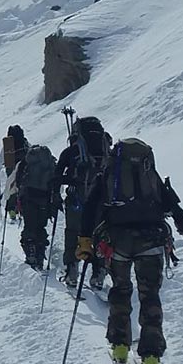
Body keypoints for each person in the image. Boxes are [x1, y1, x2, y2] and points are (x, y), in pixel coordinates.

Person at [75, 137, 183, 364]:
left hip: (118, 242)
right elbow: (170, 203)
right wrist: (181, 220)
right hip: (151, 240)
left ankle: (120, 347)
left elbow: (90, 206)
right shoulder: (149, 172)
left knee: (121, 290)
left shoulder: (108, 173)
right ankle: (151, 358)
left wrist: (85, 239)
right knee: (150, 295)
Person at [54, 115, 111, 290]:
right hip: (101, 200)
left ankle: (72, 269)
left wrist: (61, 188)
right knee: (99, 234)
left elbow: (56, 176)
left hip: (76, 198)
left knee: (73, 232)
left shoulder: (72, 151)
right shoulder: (105, 149)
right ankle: (99, 271)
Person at [6, 129, 57, 271]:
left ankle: (31, 255)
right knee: (40, 227)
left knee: (29, 226)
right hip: (45, 200)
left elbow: (15, 181)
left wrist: (11, 200)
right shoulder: (49, 161)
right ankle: (40, 255)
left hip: (28, 198)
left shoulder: (24, 162)